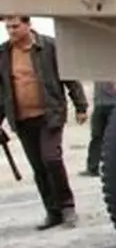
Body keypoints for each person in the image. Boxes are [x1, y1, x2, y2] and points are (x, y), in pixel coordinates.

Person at [0, 16, 89, 230]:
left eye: (15, 26)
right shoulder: (3, 53)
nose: (11, 31)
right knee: (38, 167)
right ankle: (53, 212)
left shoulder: (49, 47)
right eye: (7, 27)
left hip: (50, 114)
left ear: (28, 24)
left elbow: (70, 77)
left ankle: (68, 208)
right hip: (21, 118)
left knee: (51, 159)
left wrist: (81, 106)